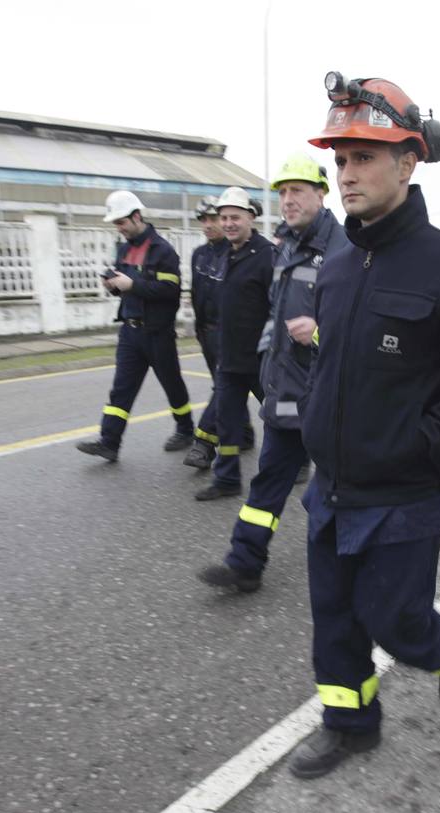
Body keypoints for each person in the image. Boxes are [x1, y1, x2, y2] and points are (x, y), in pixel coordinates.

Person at [286, 73, 440, 779]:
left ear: (408, 162)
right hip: (332, 487)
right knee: (334, 622)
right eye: (341, 159)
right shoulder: (335, 263)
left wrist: (427, 442)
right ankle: (350, 725)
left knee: (400, 626)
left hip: (404, 495)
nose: (348, 172)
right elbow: (341, 360)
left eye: (364, 156)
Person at [198, 153, 347, 592]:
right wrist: (267, 360)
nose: (288, 200)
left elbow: (359, 327)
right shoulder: (286, 247)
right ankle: (244, 563)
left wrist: (319, 334)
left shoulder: (345, 249)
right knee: (267, 485)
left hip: (328, 396)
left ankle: (354, 567)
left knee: (340, 487)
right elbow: (275, 313)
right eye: (282, 192)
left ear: (321, 193)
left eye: (297, 191)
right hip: (285, 389)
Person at [76, 191, 193, 462]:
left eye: (121, 222)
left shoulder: (162, 250)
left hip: (157, 333)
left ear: (136, 216)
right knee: (121, 388)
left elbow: (170, 290)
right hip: (130, 331)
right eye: (116, 223)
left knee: (171, 384)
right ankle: (109, 442)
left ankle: (186, 430)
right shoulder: (124, 248)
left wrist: (133, 285)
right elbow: (124, 286)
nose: (119, 228)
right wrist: (114, 287)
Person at [193, 186, 274, 500]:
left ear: (250, 218)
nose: (228, 223)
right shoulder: (224, 253)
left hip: (259, 359)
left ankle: (303, 460)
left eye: (234, 217)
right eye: (223, 217)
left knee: (282, 416)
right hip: (228, 358)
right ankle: (226, 479)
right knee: (227, 425)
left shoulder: (267, 255)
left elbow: (278, 306)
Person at [185, 197, 253, 470]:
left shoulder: (235, 252)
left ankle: (203, 444)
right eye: (204, 220)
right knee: (228, 389)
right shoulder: (200, 254)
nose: (209, 225)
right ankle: (245, 433)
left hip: (232, 335)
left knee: (224, 390)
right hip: (207, 333)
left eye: (214, 218)